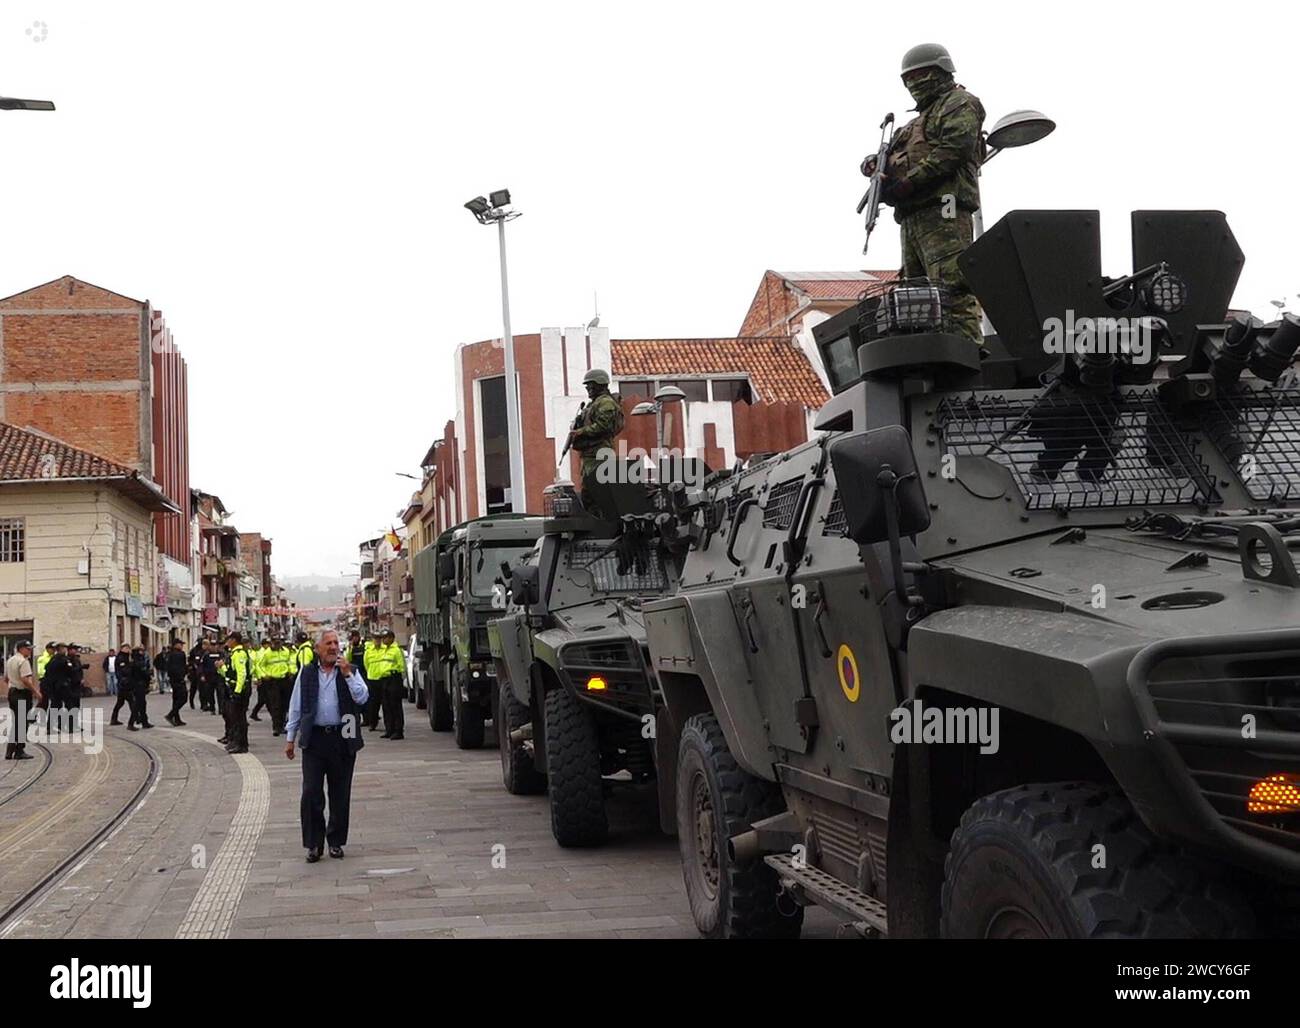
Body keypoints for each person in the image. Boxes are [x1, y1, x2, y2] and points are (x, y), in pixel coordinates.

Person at [865, 43, 985, 347]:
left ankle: (967, 349)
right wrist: (872, 165)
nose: (916, 83)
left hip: (943, 210)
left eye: (923, 75)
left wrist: (910, 182)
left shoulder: (959, 103)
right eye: (910, 78)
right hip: (912, 216)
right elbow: (892, 157)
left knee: (950, 285)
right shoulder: (912, 125)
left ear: (942, 71)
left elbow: (954, 148)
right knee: (915, 294)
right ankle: (933, 350)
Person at [285, 630, 368, 862]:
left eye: (335, 643)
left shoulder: (350, 670)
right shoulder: (307, 673)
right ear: (317, 649)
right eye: (328, 644)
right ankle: (313, 843)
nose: (333, 647)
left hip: (343, 736)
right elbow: (296, 706)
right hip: (315, 738)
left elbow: (362, 698)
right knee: (311, 791)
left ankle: (336, 842)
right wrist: (290, 738)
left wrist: (348, 675)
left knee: (340, 793)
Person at [566, 368, 625, 520]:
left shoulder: (605, 403)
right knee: (589, 493)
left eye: (591, 386)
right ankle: (596, 522)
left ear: (601, 385)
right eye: (587, 386)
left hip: (600, 455)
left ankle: (604, 523)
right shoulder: (592, 404)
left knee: (599, 492)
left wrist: (581, 432)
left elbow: (604, 426)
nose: (588, 389)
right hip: (590, 456)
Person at [4, 640, 40, 760]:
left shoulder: (10, 660)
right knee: (23, 723)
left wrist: (13, 684)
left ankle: (9, 751)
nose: (30, 651)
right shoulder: (23, 661)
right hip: (22, 694)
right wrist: (35, 691)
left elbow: (6, 678)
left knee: (17, 722)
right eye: (28, 648)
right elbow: (25, 679)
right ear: (21, 649)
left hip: (12, 694)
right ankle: (19, 750)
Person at [370, 629, 406, 740]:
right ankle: (389, 730)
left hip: (394, 678)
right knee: (386, 706)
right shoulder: (384, 650)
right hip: (384, 679)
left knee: (395, 706)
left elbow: (401, 666)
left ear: (391, 638)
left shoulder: (396, 650)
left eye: (385, 637)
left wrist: (400, 680)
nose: (383, 640)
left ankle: (398, 731)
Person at [223, 631, 253, 753]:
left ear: (234, 640)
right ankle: (236, 742)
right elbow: (231, 673)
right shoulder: (234, 653)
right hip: (234, 688)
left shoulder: (239, 654)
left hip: (240, 690)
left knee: (239, 718)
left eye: (228, 640)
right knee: (234, 718)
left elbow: (241, 674)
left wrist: (237, 692)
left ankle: (242, 745)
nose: (227, 643)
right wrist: (221, 668)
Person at [260, 636, 294, 737]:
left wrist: (291, 671)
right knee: (275, 705)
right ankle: (276, 727)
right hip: (273, 681)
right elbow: (260, 665)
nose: (277, 644)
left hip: (285, 680)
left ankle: (282, 726)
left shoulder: (286, 651)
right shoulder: (267, 653)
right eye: (275, 642)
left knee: (284, 705)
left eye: (279, 642)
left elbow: (290, 663)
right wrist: (264, 675)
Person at [126, 646, 154, 731]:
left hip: (138, 686)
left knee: (142, 704)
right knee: (138, 705)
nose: (142, 652)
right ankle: (131, 723)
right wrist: (149, 674)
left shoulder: (134, 662)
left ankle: (144, 722)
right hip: (138, 686)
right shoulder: (137, 663)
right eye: (141, 651)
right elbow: (143, 673)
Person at [164, 639, 189, 726]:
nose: (182, 646)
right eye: (180, 644)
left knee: (176, 699)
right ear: (176, 645)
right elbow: (180, 667)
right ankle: (171, 715)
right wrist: (183, 675)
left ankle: (177, 719)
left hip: (173, 679)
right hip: (179, 679)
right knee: (183, 698)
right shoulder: (179, 654)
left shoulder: (170, 654)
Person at [250, 637, 272, 721]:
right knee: (264, 699)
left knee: (264, 699)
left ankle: (254, 713)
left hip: (267, 678)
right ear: (264, 645)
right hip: (262, 679)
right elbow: (256, 666)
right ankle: (273, 716)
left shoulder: (267, 652)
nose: (269, 645)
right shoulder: (261, 653)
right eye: (267, 644)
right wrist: (257, 678)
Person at [110, 644, 132, 725]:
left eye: (128, 648)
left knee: (120, 703)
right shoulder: (121, 658)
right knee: (132, 701)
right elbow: (123, 670)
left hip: (124, 683)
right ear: (122, 648)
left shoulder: (126, 657)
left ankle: (114, 719)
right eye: (126, 648)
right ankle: (134, 720)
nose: (128, 650)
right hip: (123, 684)